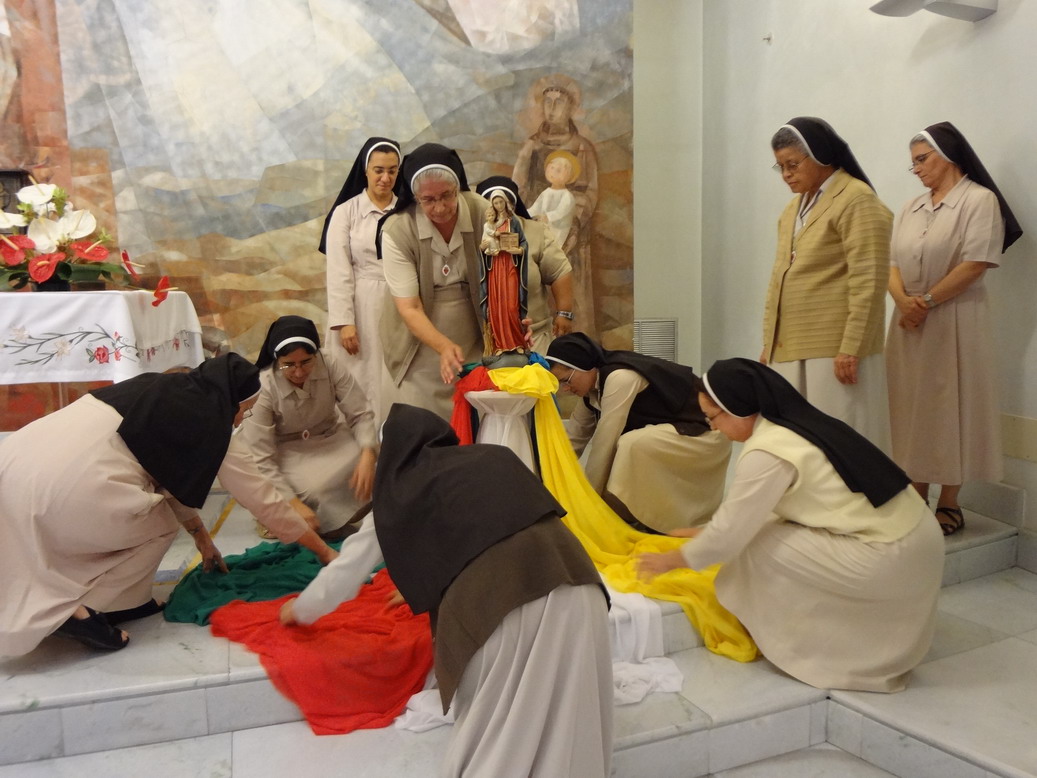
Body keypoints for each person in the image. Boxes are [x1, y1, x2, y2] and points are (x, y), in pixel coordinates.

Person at [280, 404, 612, 777]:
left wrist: (302, 609)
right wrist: (426, 577)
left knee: (503, 735)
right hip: (581, 584)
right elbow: (490, 525)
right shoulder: (494, 457)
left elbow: (349, 569)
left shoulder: (403, 491)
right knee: (570, 718)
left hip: (505, 605)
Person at [638, 358, 944, 693]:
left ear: (738, 408)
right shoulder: (800, 425)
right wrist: (706, 534)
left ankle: (812, 648)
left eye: (713, 417)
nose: (713, 428)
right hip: (920, 538)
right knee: (763, 535)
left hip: (892, 556)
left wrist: (672, 560)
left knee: (756, 546)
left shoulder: (767, 450)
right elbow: (756, 515)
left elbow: (730, 537)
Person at [0, 354, 337, 656]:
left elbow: (165, 471)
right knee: (159, 522)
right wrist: (323, 552)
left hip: (14, 464)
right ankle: (83, 610)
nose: (239, 421)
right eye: (243, 410)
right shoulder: (209, 420)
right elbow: (263, 501)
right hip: (69, 487)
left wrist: (202, 538)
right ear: (229, 401)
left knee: (33, 542)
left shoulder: (159, 389)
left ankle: (116, 601)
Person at [886, 122, 1023, 536]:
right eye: (913, 164)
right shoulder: (910, 207)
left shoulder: (979, 200)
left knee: (950, 406)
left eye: (921, 160)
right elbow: (891, 263)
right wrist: (903, 301)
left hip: (955, 318)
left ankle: (949, 501)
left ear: (947, 155)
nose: (916, 169)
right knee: (910, 406)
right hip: (908, 320)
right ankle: (913, 493)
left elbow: (976, 262)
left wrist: (926, 302)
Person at [762, 116, 893, 451]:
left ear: (820, 155)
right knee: (798, 443)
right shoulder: (792, 209)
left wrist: (852, 346)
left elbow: (869, 278)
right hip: (790, 345)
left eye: (793, 164)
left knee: (842, 442)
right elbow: (779, 277)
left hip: (835, 347)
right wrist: (769, 341)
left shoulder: (856, 199)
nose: (786, 174)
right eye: (780, 167)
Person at [545, 332, 730, 533]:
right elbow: (571, 440)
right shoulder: (591, 391)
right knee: (625, 451)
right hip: (677, 435)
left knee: (631, 444)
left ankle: (662, 520)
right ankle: (638, 515)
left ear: (584, 366)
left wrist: (588, 505)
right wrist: (545, 482)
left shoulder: (620, 377)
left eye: (566, 380)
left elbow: (604, 443)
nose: (565, 389)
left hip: (705, 433)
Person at [377, 143, 491, 419]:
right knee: (421, 424)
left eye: (447, 196)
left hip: (474, 338)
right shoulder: (398, 229)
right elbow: (410, 307)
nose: (440, 208)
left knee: (474, 422)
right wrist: (443, 346)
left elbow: (504, 275)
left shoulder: (483, 213)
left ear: (458, 187)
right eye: (428, 200)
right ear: (415, 197)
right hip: (417, 348)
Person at [242, 316, 378, 538]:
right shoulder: (263, 386)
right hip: (287, 450)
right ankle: (285, 514)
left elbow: (360, 413)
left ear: (316, 354)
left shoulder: (329, 363)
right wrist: (293, 503)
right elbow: (261, 458)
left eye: (306, 362)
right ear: (277, 359)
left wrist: (367, 454)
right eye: (288, 364)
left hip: (331, 437)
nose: (298, 372)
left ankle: (346, 514)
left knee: (376, 460)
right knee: (316, 489)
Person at [319, 136, 402, 421]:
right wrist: (345, 322)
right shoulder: (346, 213)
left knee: (394, 378)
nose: (385, 178)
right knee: (361, 377)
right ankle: (361, 440)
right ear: (365, 170)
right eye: (378, 170)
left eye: (392, 170)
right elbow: (338, 270)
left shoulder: (406, 211)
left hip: (399, 303)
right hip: (361, 306)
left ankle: (394, 438)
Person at [513, 74, 599, 334]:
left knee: (573, 301)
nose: (551, 108)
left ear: (571, 106)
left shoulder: (582, 147)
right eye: (547, 102)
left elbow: (589, 191)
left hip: (572, 236)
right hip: (535, 233)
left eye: (559, 102)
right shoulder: (531, 146)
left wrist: (572, 225)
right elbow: (518, 189)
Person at [476, 175, 574, 353]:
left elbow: (559, 271)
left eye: (502, 203)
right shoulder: (475, 233)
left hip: (534, 337)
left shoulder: (534, 231)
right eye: (493, 205)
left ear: (512, 205)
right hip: (484, 339)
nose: (498, 209)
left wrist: (564, 313)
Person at [478, 187, 529, 353]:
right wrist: (482, 248)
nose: (499, 206)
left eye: (501, 202)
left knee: (511, 306)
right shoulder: (490, 224)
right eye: (496, 203)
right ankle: (499, 345)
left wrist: (519, 250)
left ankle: (518, 343)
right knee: (496, 306)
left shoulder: (513, 222)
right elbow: (484, 245)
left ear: (505, 203)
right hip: (495, 268)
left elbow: (523, 242)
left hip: (510, 265)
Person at [528, 150, 578, 244]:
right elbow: (536, 208)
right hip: (543, 226)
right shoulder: (546, 192)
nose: (553, 172)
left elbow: (561, 212)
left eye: (558, 170)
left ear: (569, 175)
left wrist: (547, 217)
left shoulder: (567, 196)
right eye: (551, 167)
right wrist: (523, 213)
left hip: (557, 229)